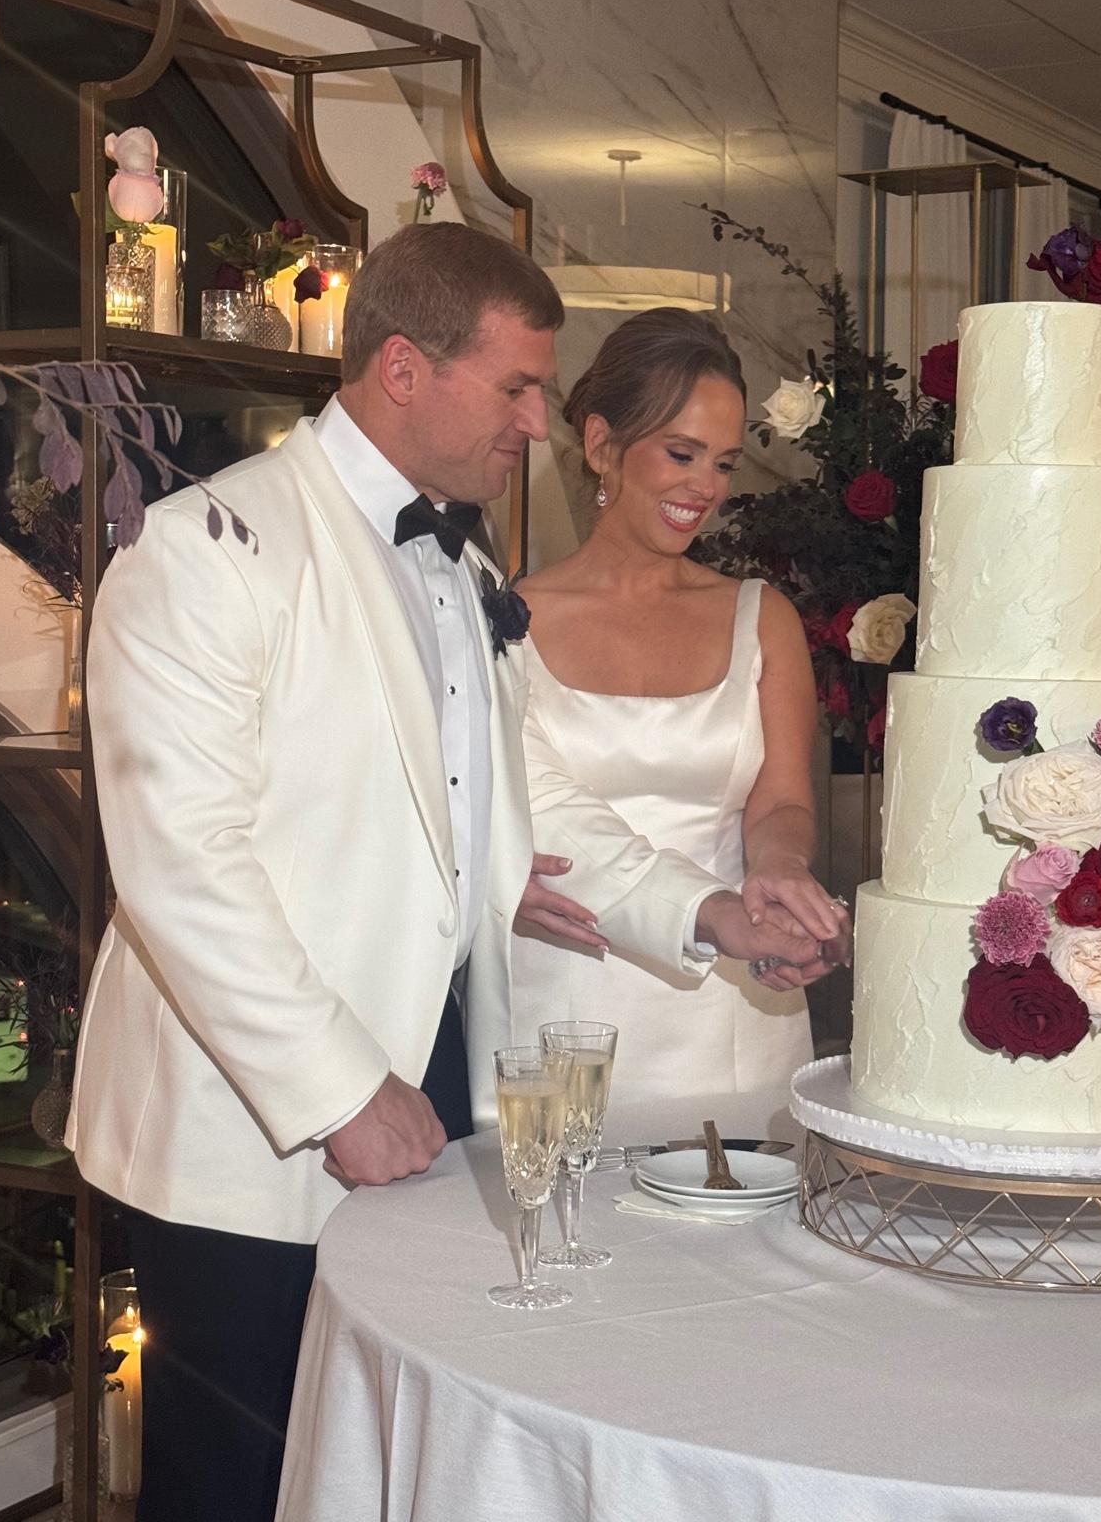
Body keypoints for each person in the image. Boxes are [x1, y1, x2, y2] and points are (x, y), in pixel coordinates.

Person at [66, 226, 839, 1522]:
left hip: (432, 1088)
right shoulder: (204, 549)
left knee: (375, 1476)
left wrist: (710, 912)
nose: (539, 422)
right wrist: (335, 1090)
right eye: (517, 387)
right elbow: (181, 868)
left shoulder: (466, 564)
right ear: (403, 368)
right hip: (253, 1120)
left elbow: (526, 818)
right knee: (236, 1481)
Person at [510, 308, 842, 1100]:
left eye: (724, 463)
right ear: (602, 445)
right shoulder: (508, 620)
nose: (707, 488)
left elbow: (782, 801)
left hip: (737, 996)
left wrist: (781, 866)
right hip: (566, 994)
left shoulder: (762, 617)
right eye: (682, 453)